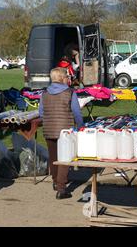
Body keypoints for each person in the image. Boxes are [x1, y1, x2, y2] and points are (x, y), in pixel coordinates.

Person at [39, 67, 84, 200]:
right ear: (62, 78)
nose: (68, 79)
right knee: (64, 158)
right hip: (65, 130)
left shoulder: (45, 93)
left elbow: (41, 112)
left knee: (53, 157)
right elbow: (76, 112)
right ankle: (61, 188)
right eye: (67, 77)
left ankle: (55, 180)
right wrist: (81, 126)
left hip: (48, 128)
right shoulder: (70, 92)